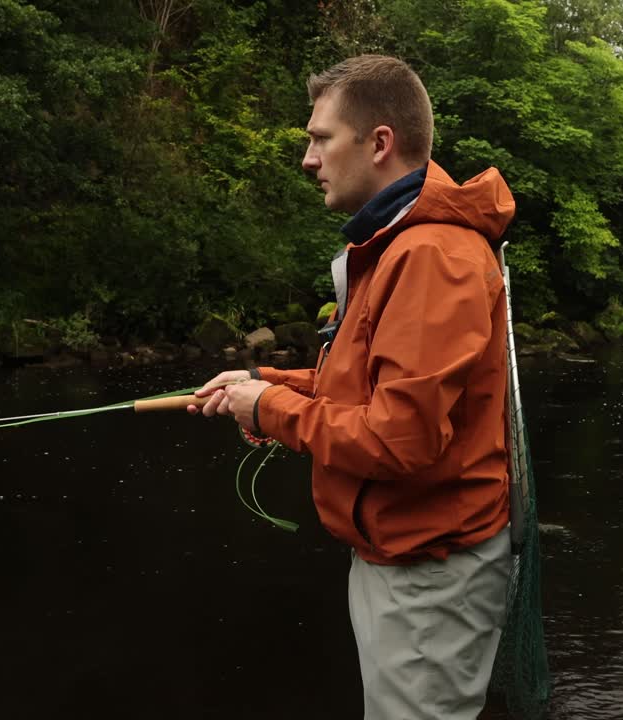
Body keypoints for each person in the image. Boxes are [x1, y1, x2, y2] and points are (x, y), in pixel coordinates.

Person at [190, 54, 516, 720]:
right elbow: (365, 383)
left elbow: (400, 440)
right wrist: (265, 382)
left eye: (321, 138)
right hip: (403, 552)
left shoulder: (430, 256)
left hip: (429, 569)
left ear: (379, 143)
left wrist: (272, 409)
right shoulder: (398, 245)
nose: (308, 159)